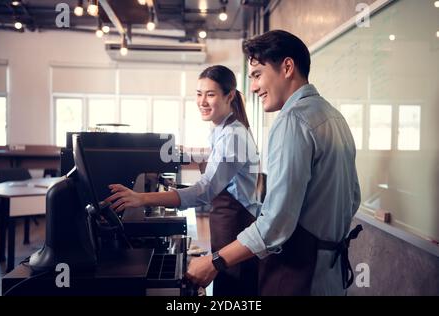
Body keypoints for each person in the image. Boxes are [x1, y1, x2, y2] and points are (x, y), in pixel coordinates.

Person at [186, 30, 362, 296]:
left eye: (257, 75)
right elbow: (353, 200)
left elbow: (275, 225)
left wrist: (214, 261)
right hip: (330, 277)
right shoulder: (334, 117)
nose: (254, 87)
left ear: (287, 67)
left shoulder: (292, 120)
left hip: (299, 275)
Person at [106, 65, 260, 296]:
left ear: (229, 96)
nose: (202, 101)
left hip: (237, 224)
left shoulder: (234, 136)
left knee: (233, 291)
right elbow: (212, 160)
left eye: (210, 94)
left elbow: (204, 190)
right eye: (199, 94)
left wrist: (141, 198)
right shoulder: (222, 128)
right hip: (228, 223)